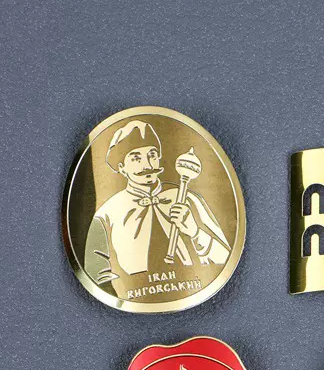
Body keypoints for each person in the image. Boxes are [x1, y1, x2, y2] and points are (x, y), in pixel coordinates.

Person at [84, 120, 230, 293]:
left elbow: (224, 259)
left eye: (152, 155)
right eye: (136, 158)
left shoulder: (187, 199)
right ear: (122, 168)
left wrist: (195, 233)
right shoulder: (105, 215)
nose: (147, 165)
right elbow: (95, 274)